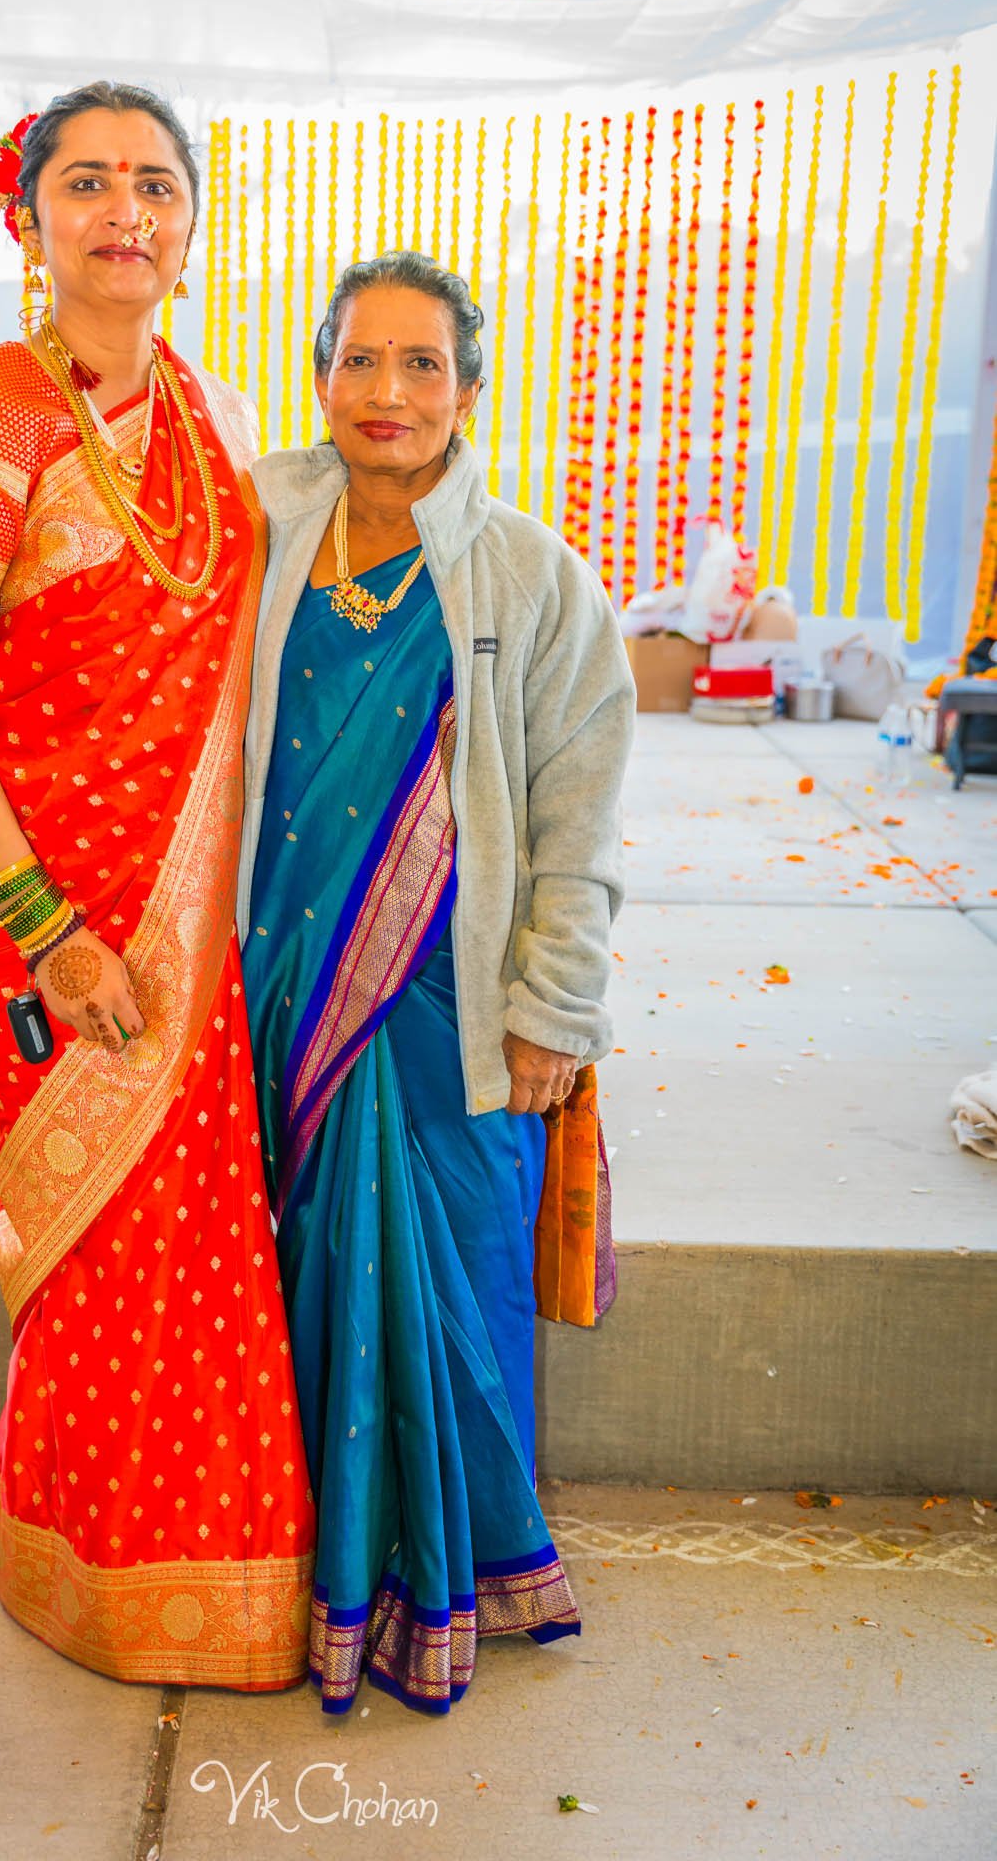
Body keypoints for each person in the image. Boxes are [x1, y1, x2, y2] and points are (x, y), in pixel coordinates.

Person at [0, 82, 314, 1692]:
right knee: (95, 1238)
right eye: (86, 182)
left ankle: (197, 1565)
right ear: (28, 218)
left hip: (192, 917)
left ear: (189, 228)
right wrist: (50, 935)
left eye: (153, 183)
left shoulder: (197, 419)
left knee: (195, 1237)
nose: (123, 208)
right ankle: (79, 1565)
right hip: (43, 909)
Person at [239, 250, 635, 1714]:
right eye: (359, 360)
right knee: (281, 1296)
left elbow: (576, 818)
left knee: (449, 1289)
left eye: (422, 365)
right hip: (269, 998)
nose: (387, 392)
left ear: (468, 392)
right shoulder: (256, 526)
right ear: (321, 372)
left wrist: (554, 1008)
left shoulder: (532, 577)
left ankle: (431, 1585)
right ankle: (279, 1578)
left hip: (450, 1014)